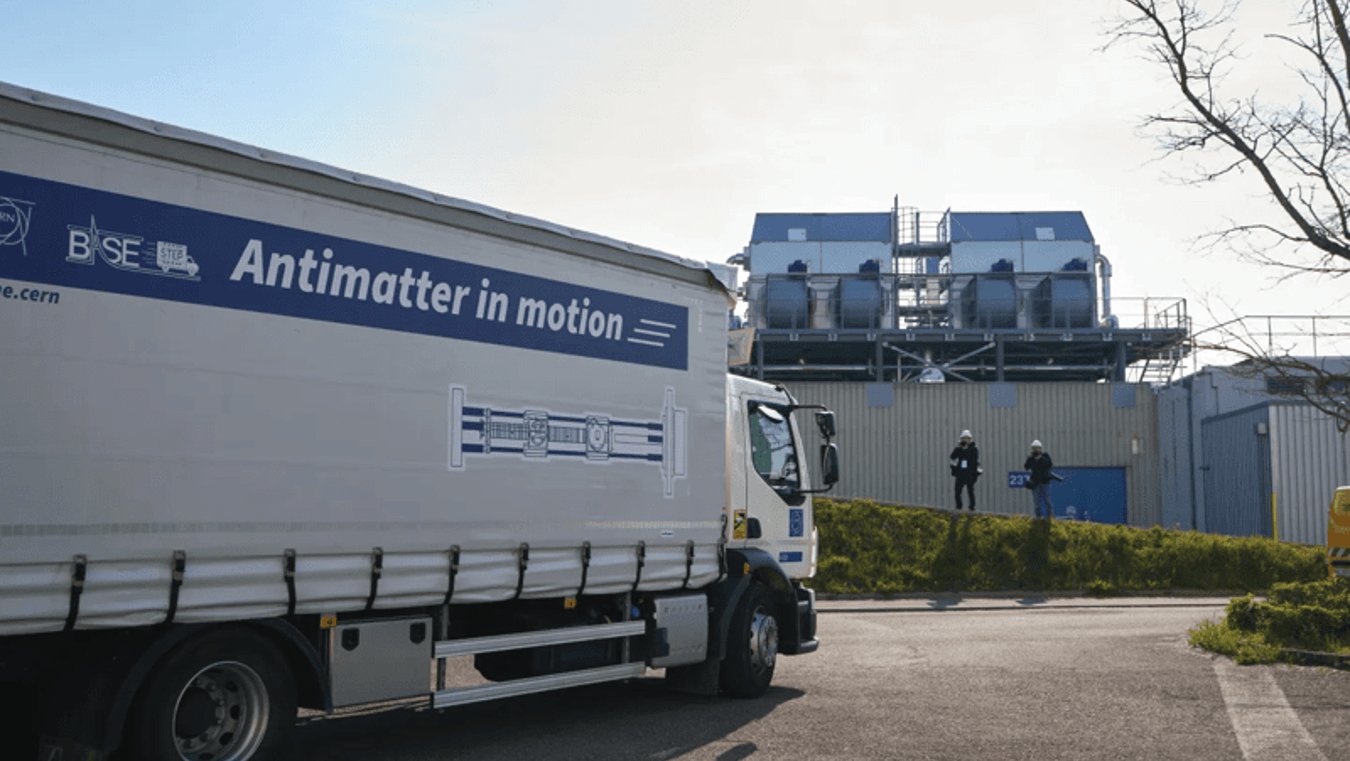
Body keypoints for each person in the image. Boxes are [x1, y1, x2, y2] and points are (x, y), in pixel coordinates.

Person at [949, 429, 981, 511]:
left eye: (967, 438)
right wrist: (959, 448)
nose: (965, 440)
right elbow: (952, 457)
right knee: (957, 491)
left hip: (970, 473)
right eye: (964, 438)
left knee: (970, 490)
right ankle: (959, 507)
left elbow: (973, 459)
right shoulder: (959, 448)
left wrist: (965, 450)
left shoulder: (974, 449)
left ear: (970, 439)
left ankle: (972, 507)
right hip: (961, 473)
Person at [1024, 440, 1054, 519]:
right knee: (1037, 502)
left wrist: (1040, 458)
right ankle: (1039, 517)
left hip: (1045, 482)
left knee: (1047, 500)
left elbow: (1049, 464)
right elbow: (1026, 467)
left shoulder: (1045, 456)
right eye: (1034, 448)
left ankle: (1050, 516)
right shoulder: (1030, 458)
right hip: (1035, 482)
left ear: (1040, 449)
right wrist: (1032, 459)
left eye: (1037, 448)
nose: (1035, 450)